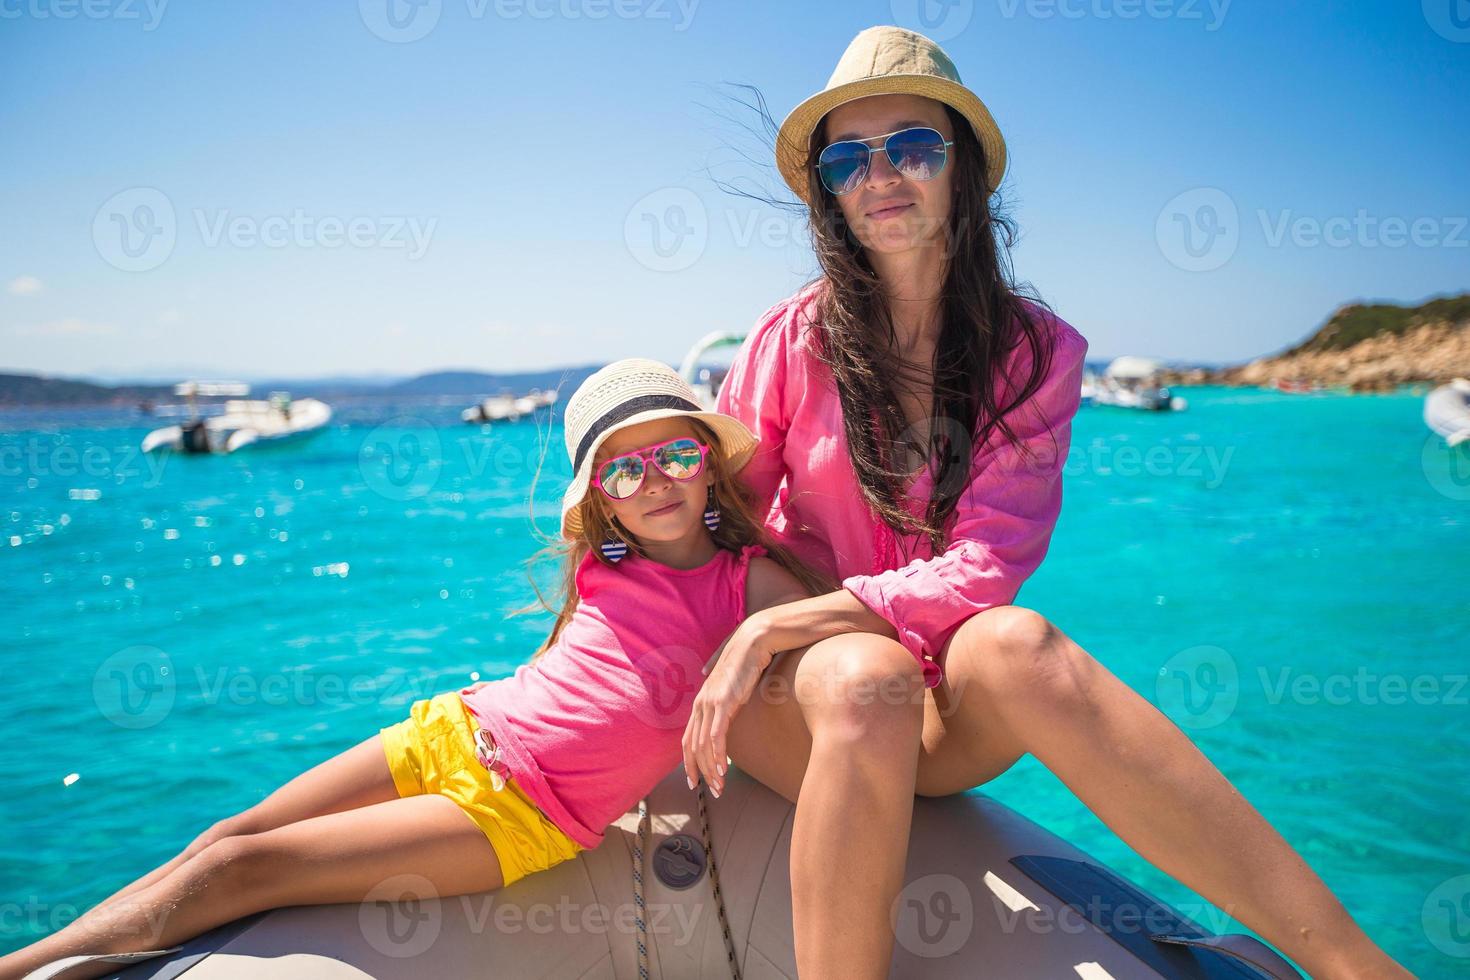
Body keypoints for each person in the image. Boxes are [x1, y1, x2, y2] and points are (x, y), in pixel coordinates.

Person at [679, 25, 1411, 980]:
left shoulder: (1033, 354)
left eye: (913, 147)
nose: (881, 174)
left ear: (964, 169)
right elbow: (720, 521)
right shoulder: (792, 341)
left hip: (927, 708)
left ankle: (1356, 963)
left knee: (1014, 642)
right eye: (849, 158)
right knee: (863, 673)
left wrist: (810, 620)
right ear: (828, 189)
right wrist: (762, 629)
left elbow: (986, 564)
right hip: (805, 694)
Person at [1, 359, 825, 980]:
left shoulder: (749, 582)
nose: (654, 482)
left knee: (237, 869)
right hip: (455, 730)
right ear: (602, 497)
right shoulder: (604, 566)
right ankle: (49, 957)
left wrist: (752, 645)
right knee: (229, 830)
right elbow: (575, 669)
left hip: (522, 814)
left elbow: (864, 617)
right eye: (623, 470)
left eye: (675, 456)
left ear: (708, 463)